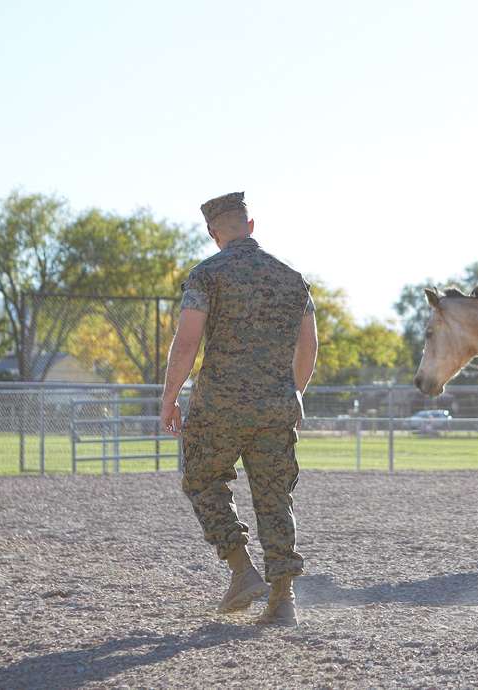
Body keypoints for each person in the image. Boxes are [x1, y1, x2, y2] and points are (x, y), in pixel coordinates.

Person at [160, 191, 317, 626]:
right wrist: (295, 392)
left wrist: (170, 396)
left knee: (202, 480)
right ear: (251, 227)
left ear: (214, 234)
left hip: (219, 407)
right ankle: (283, 600)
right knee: (274, 497)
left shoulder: (207, 276)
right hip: (276, 408)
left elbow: (188, 340)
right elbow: (309, 344)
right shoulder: (292, 279)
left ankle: (242, 570)